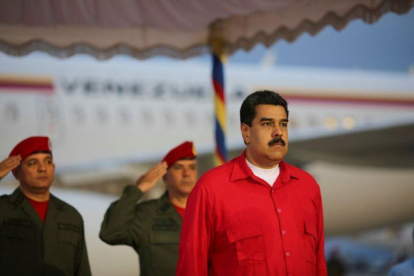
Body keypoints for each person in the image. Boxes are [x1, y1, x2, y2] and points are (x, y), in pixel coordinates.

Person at [177, 91, 327, 276]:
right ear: (245, 132)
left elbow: (319, 264)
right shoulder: (211, 189)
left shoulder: (307, 186)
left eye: (283, 124)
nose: (278, 132)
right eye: (267, 124)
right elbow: (191, 267)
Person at [100, 141, 197, 276]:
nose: (187, 174)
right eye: (178, 167)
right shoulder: (147, 214)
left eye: (192, 167)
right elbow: (110, 233)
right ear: (165, 178)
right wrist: (138, 189)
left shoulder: (208, 213)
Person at [0, 136, 91, 276]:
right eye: (32, 163)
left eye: (48, 162)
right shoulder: (4, 209)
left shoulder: (71, 215)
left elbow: (82, 270)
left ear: (53, 168)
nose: (42, 168)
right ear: (16, 172)